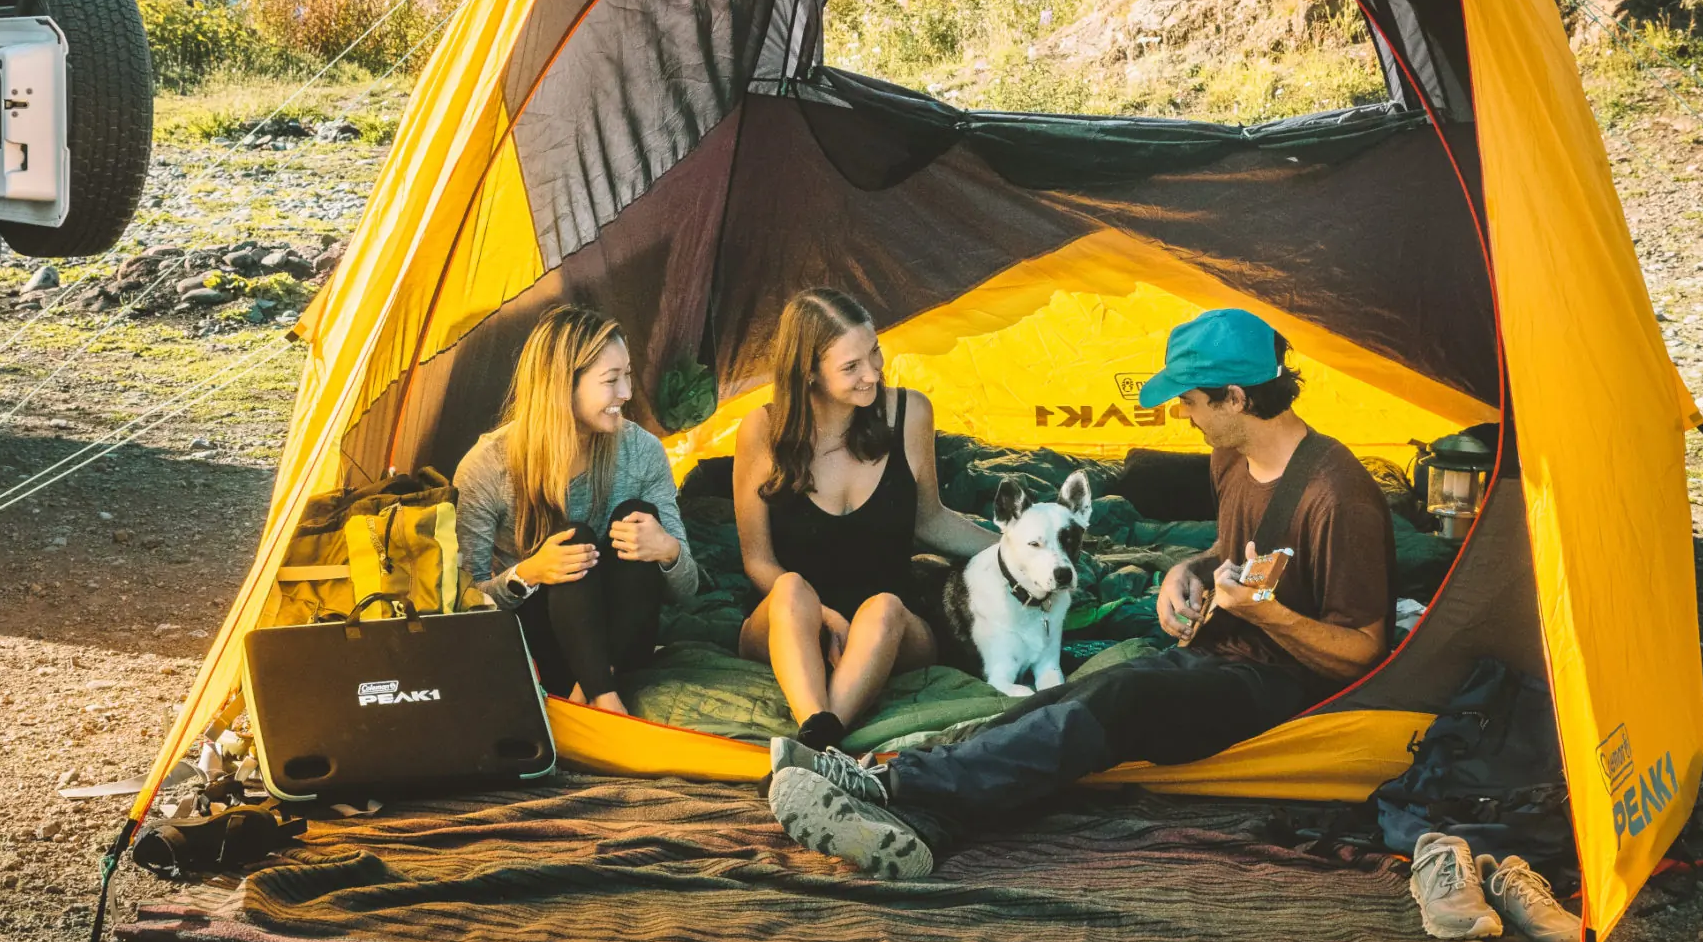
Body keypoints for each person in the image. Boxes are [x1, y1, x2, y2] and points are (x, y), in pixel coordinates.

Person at [763, 307, 1395, 881]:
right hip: (1217, 650)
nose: (1182, 414)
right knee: (1057, 701)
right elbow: (1235, 551)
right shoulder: (1233, 456)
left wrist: (1271, 616)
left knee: (1120, 696)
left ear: (1235, 398)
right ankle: (924, 824)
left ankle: (888, 785)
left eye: (1191, 400)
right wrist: (1190, 569)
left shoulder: (1338, 496)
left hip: (1280, 681)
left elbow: (1362, 653)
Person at [734, 287, 996, 750]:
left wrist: (1016, 551)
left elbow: (930, 520)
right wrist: (824, 616)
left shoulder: (909, 412)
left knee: (884, 606)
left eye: (874, 352)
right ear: (809, 373)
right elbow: (758, 560)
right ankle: (825, 733)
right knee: (792, 587)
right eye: (851, 366)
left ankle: (817, 740)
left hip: (889, 625)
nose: (872, 374)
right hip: (793, 621)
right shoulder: (762, 429)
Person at [456, 304, 700, 713]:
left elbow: (688, 588)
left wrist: (667, 550)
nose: (626, 393)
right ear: (562, 386)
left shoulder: (642, 452)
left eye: (627, 375)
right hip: (543, 641)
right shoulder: (489, 466)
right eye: (611, 380)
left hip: (622, 640)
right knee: (574, 540)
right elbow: (464, 604)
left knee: (636, 514)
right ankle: (603, 698)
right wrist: (528, 573)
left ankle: (593, 694)